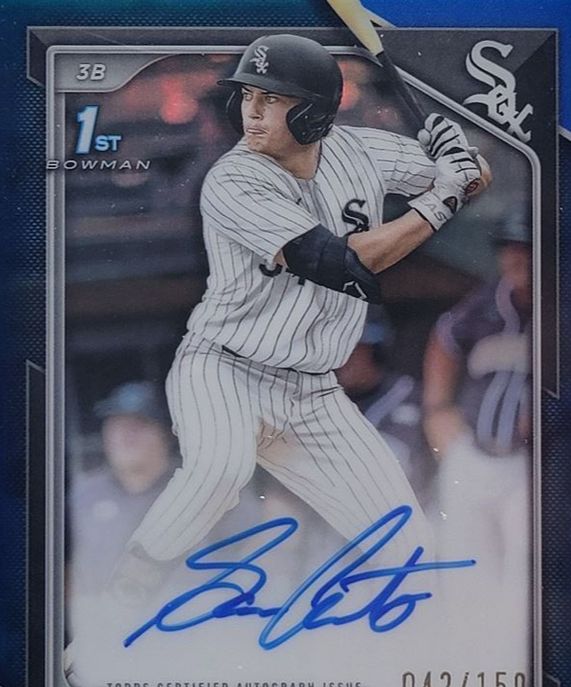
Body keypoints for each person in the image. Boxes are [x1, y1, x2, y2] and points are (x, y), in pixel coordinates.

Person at [109, 33, 487, 601]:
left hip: (313, 391)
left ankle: (412, 645)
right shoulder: (234, 179)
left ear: (312, 113)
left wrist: (463, 160)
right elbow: (341, 264)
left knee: (408, 545)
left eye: (271, 99)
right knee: (218, 472)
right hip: (225, 370)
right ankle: (120, 604)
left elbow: (474, 176)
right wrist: (441, 199)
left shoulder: (361, 151)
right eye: (247, 96)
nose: (251, 111)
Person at [422, 212, 531, 603]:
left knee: (524, 576)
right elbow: (444, 338)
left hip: (530, 465)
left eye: (526, 249)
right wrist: (436, 408)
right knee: (466, 567)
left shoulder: (559, 310)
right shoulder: (485, 304)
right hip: (474, 454)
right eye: (508, 249)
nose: (515, 258)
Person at [68, 381, 176, 603]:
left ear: (166, 434)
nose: (126, 435)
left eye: (139, 425)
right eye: (116, 425)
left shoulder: (202, 493)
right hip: (98, 617)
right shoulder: (83, 495)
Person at [336, 312, 435, 507]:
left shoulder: (408, 394)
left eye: (351, 351)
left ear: (374, 350)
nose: (339, 362)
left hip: (406, 511)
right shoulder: (325, 398)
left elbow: (397, 460)